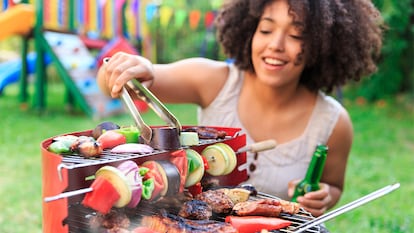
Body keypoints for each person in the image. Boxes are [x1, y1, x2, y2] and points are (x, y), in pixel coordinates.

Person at [98, 0, 384, 217]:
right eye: (266, 29)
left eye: (297, 35)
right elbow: (137, 79)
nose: (276, 45)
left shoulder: (334, 123)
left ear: (322, 46)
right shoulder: (214, 81)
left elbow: (332, 186)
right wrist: (131, 68)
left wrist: (325, 196)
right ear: (250, 32)